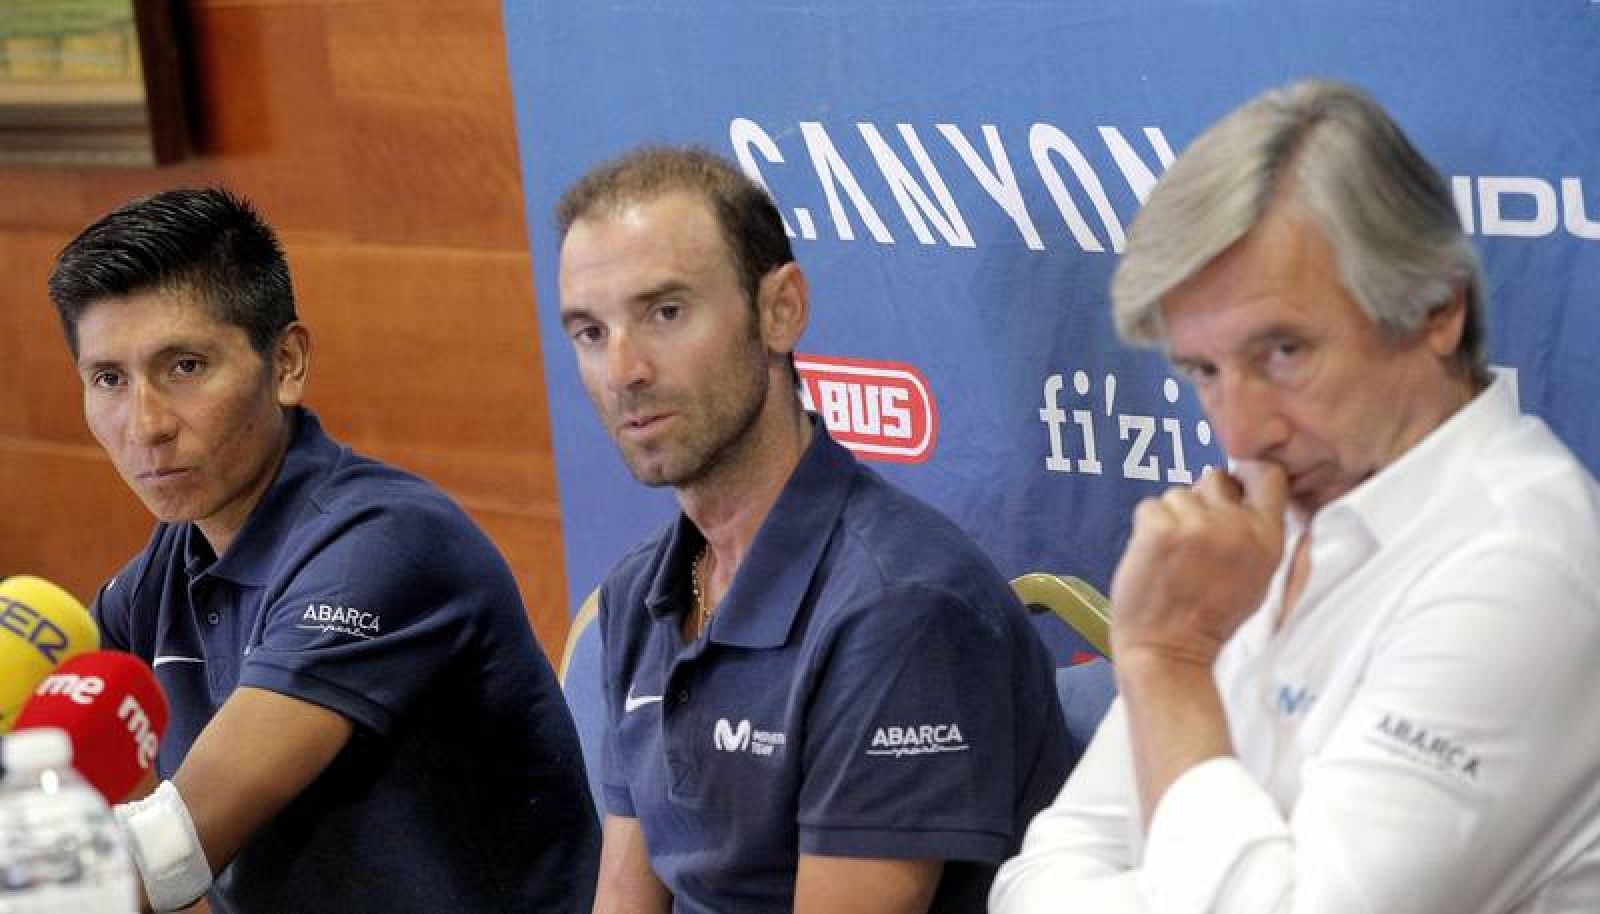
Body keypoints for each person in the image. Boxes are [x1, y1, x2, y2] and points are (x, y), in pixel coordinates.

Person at [989, 79, 1600, 912]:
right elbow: (1039, 877)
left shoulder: (1521, 564)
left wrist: (1169, 665)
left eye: (1283, 351)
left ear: (1434, 310)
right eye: (1204, 371)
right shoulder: (1264, 529)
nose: (1242, 433)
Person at [47, 188, 600, 913]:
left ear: (287, 363)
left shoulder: (385, 544)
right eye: (109, 380)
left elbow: (171, 853)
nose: (144, 424)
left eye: (184, 367)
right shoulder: (171, 564)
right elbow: (43, 751)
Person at [554, 146, 1069, 914]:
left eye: (665, 312)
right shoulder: (640, 594)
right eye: (590, 332)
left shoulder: (899, 608)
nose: (623, 369)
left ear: (781, 309)